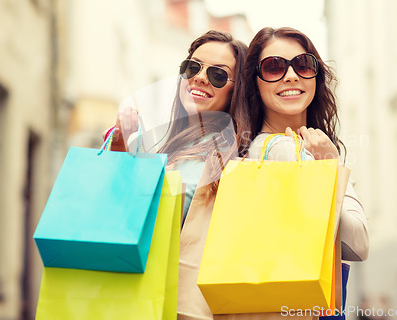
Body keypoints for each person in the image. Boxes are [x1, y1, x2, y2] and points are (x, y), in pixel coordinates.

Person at [228, 27, 369, 319]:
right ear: (254, 82)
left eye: (303, 65)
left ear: (316, 77)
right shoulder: (282, 149)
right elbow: (359, 243)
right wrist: (329, 168)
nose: (291, 75)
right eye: (273, 67)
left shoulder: (271, 148)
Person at [105, 30, 248, 223]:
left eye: (218, 74)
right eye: (192, 67)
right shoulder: (163, 142)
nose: (200, 77)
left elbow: (145, 218)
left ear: (237, 90)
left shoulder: (219, 155)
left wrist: (120, 152)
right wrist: (120, 143)